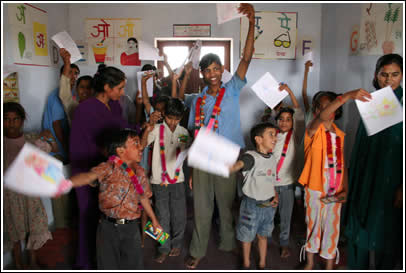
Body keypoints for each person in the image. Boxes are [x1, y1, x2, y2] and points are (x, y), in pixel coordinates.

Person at [184, 3, 256, 269]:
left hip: (227, 152)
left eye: (216, 69)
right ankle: (198, 250)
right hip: (203, 154)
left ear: (221, 69)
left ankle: (228, 242)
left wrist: (251, 21)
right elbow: (194, 133)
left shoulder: (233, 88)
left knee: (226, 204)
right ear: (201, 74)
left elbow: (247, 58)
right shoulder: (198, 101)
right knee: (202, 207)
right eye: (207, 70)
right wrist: (192, 169)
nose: (212, 74)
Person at [66, 128, 161, 269]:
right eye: (135, 143)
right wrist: (66, 183)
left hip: (131, 228)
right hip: (107, 228)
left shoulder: (140, 172)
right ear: (120, 151)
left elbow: (143, 197)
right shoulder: (108, 168)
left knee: (134, 265)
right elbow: (88, 177)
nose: (141, 147)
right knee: (107, 265)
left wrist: (154, 219)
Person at [298, 89, 371, 270]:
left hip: (335, 188)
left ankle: (329, 264)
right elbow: (322, 117)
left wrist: (345, 189)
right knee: (313, 226)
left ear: (337, 111)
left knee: (332, 227)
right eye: (322, 107)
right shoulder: (312, 130)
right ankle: (309, 262)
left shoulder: (340, 134)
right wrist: (346, 97)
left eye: (330, 106)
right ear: (316, 111)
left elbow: (342, 164)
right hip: (315, 186)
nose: (327, 110)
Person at [69, 64, 134, 269]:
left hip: (109, 170)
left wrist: (141, 128)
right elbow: (83, 146)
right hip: (89, 172)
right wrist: (92, 176)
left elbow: (121, 129)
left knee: (108, 220)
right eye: (120, 88)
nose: (123, 92)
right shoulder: (85, 109)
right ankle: (87, 263)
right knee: (89, 219)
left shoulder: (114, 105)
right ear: (107, 87)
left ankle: (108, 261)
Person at [344, 53, 403, 270]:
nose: (389, 80)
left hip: (392, 180)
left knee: (387, 233)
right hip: (366, 175)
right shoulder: (371, 100)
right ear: (376, 75)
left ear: (402, 75)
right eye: (384, 74)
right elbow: (361, 145)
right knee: (358, 226)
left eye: (395, 74)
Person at [3, 102, 55, 269]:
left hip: (30, 194)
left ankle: (32, 261)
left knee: (34, 225)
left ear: (22, 120)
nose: (11, 123)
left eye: (15, 119)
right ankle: (18, 264)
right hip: (8, 196)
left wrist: (49, 137)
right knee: (14, 229)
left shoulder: (31, 140)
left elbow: (51, 149)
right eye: (6, 119)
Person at [141, 97, 190, 263]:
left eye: (177, 119)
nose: (173, 123)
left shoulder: (183, 132)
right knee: (162, 215)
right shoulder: (156, 129)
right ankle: (163, 247)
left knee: (179, 215)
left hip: (178, 180)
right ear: (163, 115)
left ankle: (176, 244)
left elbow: (184, 153)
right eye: (170, 118)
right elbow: (141, 146)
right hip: (158, 181)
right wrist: (147, 128)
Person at [229, 122, 279, 269]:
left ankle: (262, 263)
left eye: (275, 135)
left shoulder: (272, 158)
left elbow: (271, 181)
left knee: (263, 235)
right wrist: (232, 167)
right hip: (251, 206)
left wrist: (275, 195)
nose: (275, 138)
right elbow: (242, 163)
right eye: (271, 134)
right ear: (258, 139)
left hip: (269, 205)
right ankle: (246, 263)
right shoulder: (251, 157)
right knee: (247, 236)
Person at [272, 83, 305, 258]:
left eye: (288, 119)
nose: (284, 122)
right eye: (281, 119)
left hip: (286, 184)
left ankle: (284, 243)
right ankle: (263, 238)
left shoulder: (296, 135)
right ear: (276, 121)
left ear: (293, 123)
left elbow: (298, 112)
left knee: (286, 216)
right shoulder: (272, 134)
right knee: (268, 214)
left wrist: (290, 92)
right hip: (269, 184)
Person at [43, 50, 80, 163]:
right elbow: (56, 124)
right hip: (57, 145)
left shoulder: (73, 94)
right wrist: (66, 148)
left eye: (76, 73)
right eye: (69, 72)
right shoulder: (57, 95)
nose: (73, 76)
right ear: (62, 75)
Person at [59, 48, 93, 125]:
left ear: (94, 90)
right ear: (76, 89)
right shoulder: (73, 107)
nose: (85, 91)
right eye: (82, 87)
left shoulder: (99, 107)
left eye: (89, 87)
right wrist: (67, 63)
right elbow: (64, 93)